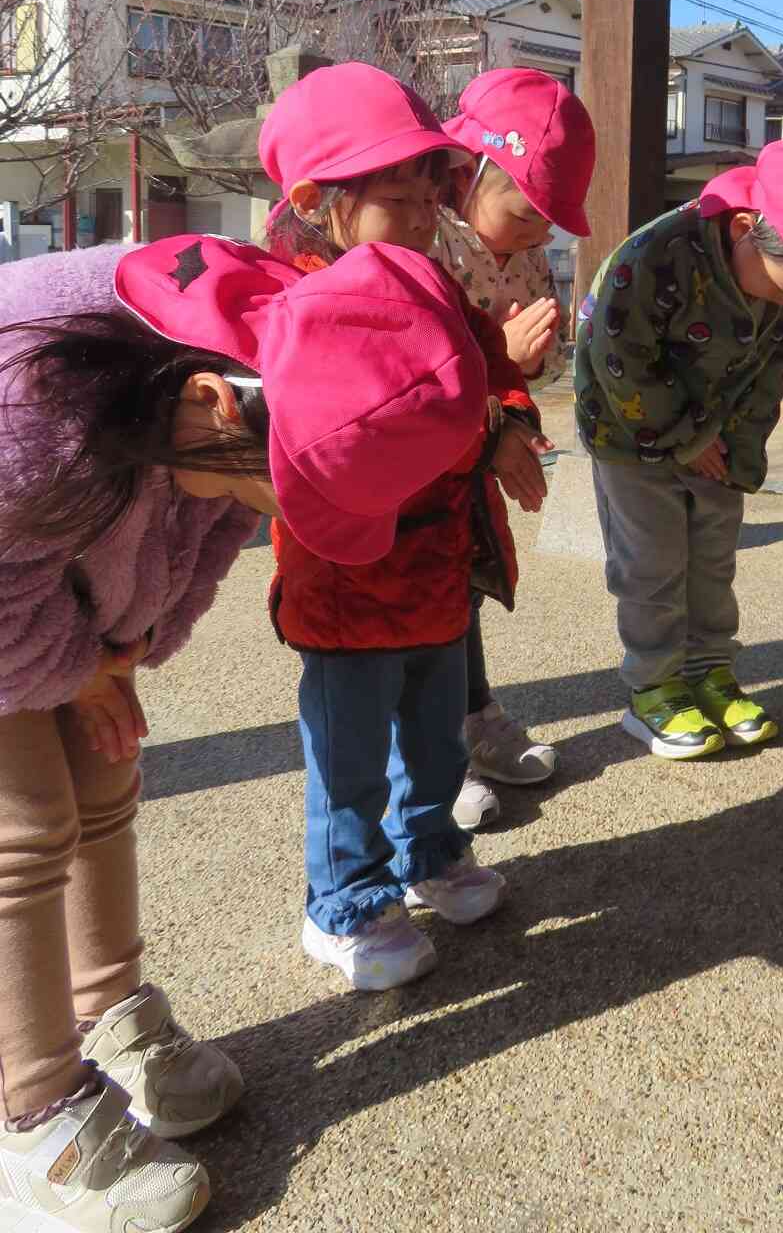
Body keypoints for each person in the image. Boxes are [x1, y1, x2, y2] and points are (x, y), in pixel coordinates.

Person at [0, 230, 506, 1231]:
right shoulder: (36, 400)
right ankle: (32, 1114)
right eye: (267, 487)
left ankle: (110, 1018)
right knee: (23, 821)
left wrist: (122, 649)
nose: (259, 510)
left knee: (104, 778)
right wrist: (73, 661)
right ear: (215, 405)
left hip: (40, 578)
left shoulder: (267, 371)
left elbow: (207, 540)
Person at [257, 63, 552, 989]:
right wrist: (488, 374)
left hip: (437, 564)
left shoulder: (433, 282)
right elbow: (346, 417)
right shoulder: (290, 301)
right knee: (348, 752)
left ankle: (429, 853)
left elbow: (483, 372)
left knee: (433, 735)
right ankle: (342, 902)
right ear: (317, 200)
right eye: (397, 198)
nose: (426, 218)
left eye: (431, 193)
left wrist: (509, 417)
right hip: (348, 574)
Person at [575, 135, 783, 759]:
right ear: (747, 229)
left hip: (715, 434)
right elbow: (620, 363)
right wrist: (686, 439)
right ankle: (654, 688)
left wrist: (737, 452)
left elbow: (772, 366)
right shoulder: (656, 257)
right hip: (630, 433)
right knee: (652, 564)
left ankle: (710, 671)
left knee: (713, 559)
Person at [435, 67, 596, 831]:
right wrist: (497, 355)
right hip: (420, 452)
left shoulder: (529, 257)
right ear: (467, 174)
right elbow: (421, 358)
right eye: (525, 211)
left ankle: (473, 718)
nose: (538, 235)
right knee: (426, 599)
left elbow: (539, 364)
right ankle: (436, 755)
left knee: (463, 589)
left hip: (479, 448)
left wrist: (522, 395)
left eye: (549, 224)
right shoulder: (426, 233)